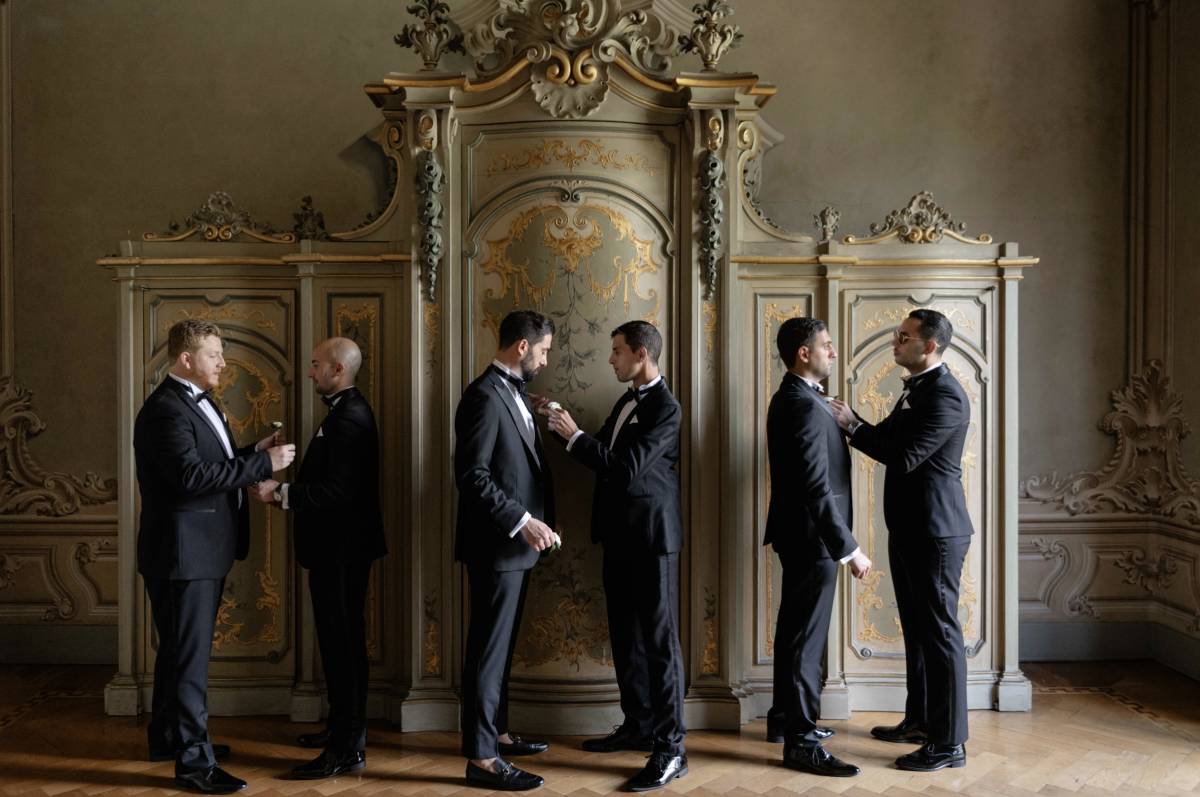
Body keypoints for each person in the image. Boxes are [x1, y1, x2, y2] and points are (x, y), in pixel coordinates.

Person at [134, 318, 295, 794]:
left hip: (198, 550)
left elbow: (210, 464)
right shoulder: (165, 410)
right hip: (184, 555)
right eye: (214, 355)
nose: (223, 363)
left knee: (177, 653)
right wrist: (263, 463)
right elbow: (190, 479)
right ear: (187, 359)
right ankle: (194, 764)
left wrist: (251, 451)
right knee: (189, 660)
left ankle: (168, 738)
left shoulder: (197, 402)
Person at [543, 320, 688, 792]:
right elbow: (599, 450)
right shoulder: (627, 401)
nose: (611, 359)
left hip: (653, 540)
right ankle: (638, 725)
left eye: (618, 351)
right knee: (626, 637)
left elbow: (625, 470)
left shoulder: (666, 408)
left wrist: (574, 436)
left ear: (642, 354)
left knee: (661, 645)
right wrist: (559, 422)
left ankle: (671, 749)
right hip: (619, 538)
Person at [829, 308, 973, 772]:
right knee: (917, 627)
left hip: (937, 533)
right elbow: (887, 436)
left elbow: (905, 456)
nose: (896, 341)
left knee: (941, 634)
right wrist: (853, 422)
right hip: (912, 529)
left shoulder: (946, 395)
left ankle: (949, 743)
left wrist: (852, 426)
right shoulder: (917, 389)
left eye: (904, 336)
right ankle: (921, 720)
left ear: (929, 346)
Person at [250, 337, 387, 779]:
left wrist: (281, 492)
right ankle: (341, 730)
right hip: (337, 550)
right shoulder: (344, 412)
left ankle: (347, 749)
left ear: (338, 369)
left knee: (343, 647)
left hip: (342, 552)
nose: (309, 372)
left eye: (315, 364)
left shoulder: (350, 416)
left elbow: (341, 491)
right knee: (337, 645)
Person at [763, 317, 872, 777]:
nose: (833, 352)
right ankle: (801, 743)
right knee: (805, 641)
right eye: (826, 345)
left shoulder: (796, 397)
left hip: (803, 536)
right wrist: (849, 549)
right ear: (803, 353)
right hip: (814, 540)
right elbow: (815, 486)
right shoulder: (803, 404)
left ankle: (784, 719)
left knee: (795, 632)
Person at [454, 309, 558, 791]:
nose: (545, 359)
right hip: (497, 544)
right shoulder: (482, 395)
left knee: (501, 648)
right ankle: (481, 759)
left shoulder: (512, 392)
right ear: (522, 347)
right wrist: (522, 520)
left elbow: (523, 464)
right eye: (543, 351)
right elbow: (472, 475)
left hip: (519, 546)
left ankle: (496, 732)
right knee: (487, 652)